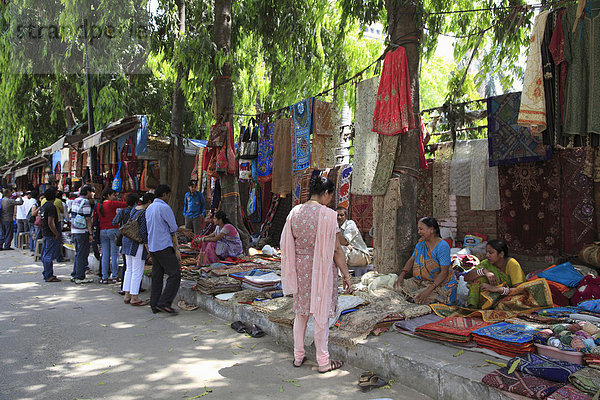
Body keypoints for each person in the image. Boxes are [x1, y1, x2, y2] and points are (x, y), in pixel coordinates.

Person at [281, 177, 351, 373]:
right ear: (326, 193)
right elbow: (337, 249)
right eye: (331, 196)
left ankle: (298, 356)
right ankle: (323, 362)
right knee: (320, 315)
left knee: (301, 313)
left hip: (300, 268)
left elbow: (287, 242)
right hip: (321, 269)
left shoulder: (295, 212)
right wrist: (346, 275)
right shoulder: (328, 215)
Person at [393, 217, 457, 305]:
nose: (419, 232)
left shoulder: (442, 246)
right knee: (395, 288)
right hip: (421, 282)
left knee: (420, 299)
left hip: (439, 284)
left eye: (421, 229)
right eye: (418, 229)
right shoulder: (421, 244)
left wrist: (428, 290)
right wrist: (401, 276)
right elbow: (411, 260)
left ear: (431, 230)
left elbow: (444, 272)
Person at [145, 184, 182, 314]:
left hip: (153, 246)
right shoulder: (164, 207)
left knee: (157, 275)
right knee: (175, 273)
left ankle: (154, 304)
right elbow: (173, 227)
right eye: (168, 195)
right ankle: (164, 302)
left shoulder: (150, 208)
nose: (168, 197)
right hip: (163, 245)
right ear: (164, 194)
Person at [463, 238, 526, 309]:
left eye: (491, 253)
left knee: (505, 305)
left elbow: (519, 290)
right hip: (496, 296)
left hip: (510, 295)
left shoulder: (512, 264)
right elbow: (467, 278)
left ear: (501, 254)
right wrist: (483, 271)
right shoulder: (486, 263)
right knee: (478, 278)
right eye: (486, 252)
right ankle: (473, 307)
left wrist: (496, 289)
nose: (487, 255)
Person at [122, 193, 154, 306]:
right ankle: (134, 298)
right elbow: (143, 232)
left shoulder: (134, 210)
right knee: (137, 270)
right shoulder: (144, 213)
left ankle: (127, 295)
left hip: (127, 241)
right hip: (136, 244)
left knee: (129, 269)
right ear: (149, 202)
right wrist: (148, 247)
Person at [96, 189, 127, 284]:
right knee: (114, 254)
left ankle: (104, 277)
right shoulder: (110, 203)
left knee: (105, 255)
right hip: (113, 230)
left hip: (102, 231)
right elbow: (125, 204)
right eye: (114, 195)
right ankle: (114, 276)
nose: (115, 197)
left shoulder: (98, 205)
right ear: (108, 195)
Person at [69, 185, 95, 284]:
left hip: (75, 230)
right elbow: (88, 219)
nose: (93, 194)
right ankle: (80, 276)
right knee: (82, 254)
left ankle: (75, 274)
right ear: (88, 192)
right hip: (82, 231)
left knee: (78, 253)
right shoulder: (86, 202)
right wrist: (90, 233)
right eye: (92, 192)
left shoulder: (75, 200)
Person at [39, 188, 62, 282]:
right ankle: (49, 275)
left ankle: (46, 273)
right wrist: (56, 233)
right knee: (48, 255)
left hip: (45, 232)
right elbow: (50, 222)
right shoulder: (51, 207)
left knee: (45, 254)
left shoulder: (44, 206)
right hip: (50, 233)